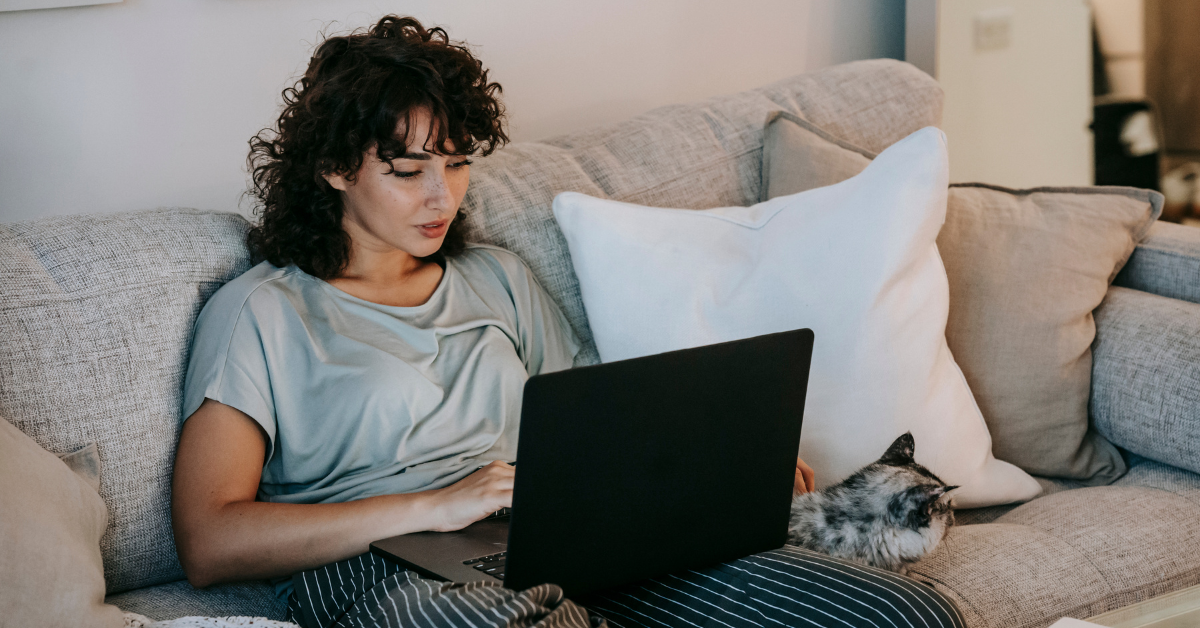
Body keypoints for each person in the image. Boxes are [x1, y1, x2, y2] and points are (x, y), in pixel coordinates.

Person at [172, 15, 965, 628]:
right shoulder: (264, 313)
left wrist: (725, 462)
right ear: (336, 168)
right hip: (377, 563)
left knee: (907, 613)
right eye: (408, 170)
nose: (441, 196)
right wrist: (431, 507)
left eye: (454, 163)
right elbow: (210, 542)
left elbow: (607, 425)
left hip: (554, 538)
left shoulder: (497, 280)